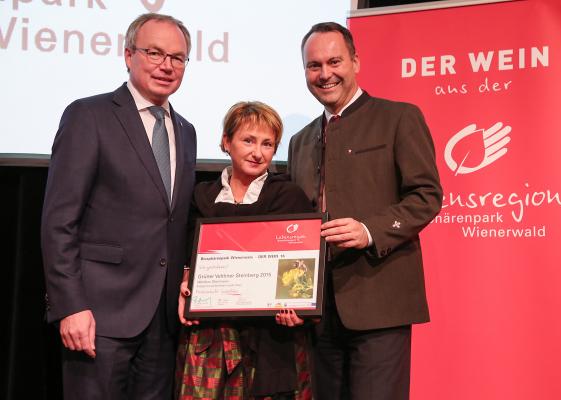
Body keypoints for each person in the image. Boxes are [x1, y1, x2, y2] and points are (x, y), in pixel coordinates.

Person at [40, 13, 197, 399]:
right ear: (128, 55)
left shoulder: (186, 131)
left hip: (162, 322)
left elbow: (173, 221)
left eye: (177, 58)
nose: (167, 65)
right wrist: (70, 306)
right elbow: (59, 222)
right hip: (99, 315)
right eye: (155, 53)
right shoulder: (88, 115)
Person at [287, 22, 443, 400]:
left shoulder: (399, 117)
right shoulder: (299, 140)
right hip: (317, 313)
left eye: (335, 61)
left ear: (355, 62)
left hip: (380, 304)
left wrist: (369, 230)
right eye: (314, 65)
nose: (325, 74)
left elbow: (427, 195)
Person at [176, 101, 313, 400]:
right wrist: (186, 283)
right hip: (211, 338)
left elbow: (303, 272)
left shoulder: (289, 196)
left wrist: (300, 309)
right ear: (226, 142)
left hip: (271, 342)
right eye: (248, 140)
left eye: (267, 144)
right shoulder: (202, 195)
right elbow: (188, 255)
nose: (258, 152)